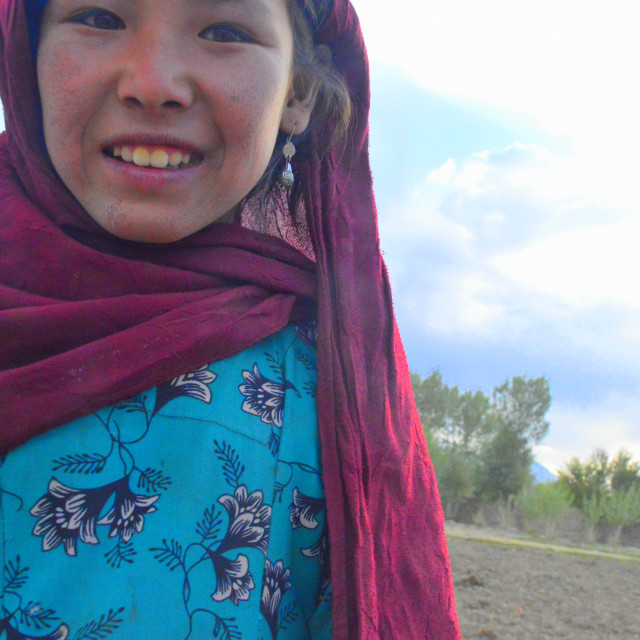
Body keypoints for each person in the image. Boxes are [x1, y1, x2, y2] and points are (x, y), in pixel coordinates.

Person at [0, 0, 460, 638]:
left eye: (224, 31)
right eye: (100, 19)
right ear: (24, 54)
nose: (153, 85)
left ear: (297, 91)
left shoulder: (328, 392)